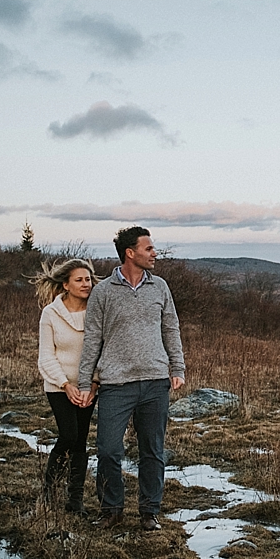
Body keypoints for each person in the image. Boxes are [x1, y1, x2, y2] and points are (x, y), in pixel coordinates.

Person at [78, 226, 185, 531]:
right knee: (109, 450)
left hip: (155, 382)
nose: (154, 253)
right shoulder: (103, 291)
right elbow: (93, 338)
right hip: (116, 384)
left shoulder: (160, 287)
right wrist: (86, 382)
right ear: (130, 252)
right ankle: (111, 510)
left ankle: (149, 512)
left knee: (152, 451)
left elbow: (171, 329)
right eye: (149, 248)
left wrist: (177, 368)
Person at [32, 258, 100, 516]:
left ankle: (75, 501)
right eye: (79, 280)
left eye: (88, 279)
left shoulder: (97, 310)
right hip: (59, 386)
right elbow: (46, 356)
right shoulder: (50, 314)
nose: (86, 284)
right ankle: (49, 492)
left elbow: (101, 351)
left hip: (88, 387)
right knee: (68, 435)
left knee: (81, 442)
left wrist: (93, 385)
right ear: (65, 285)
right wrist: (65, 385)